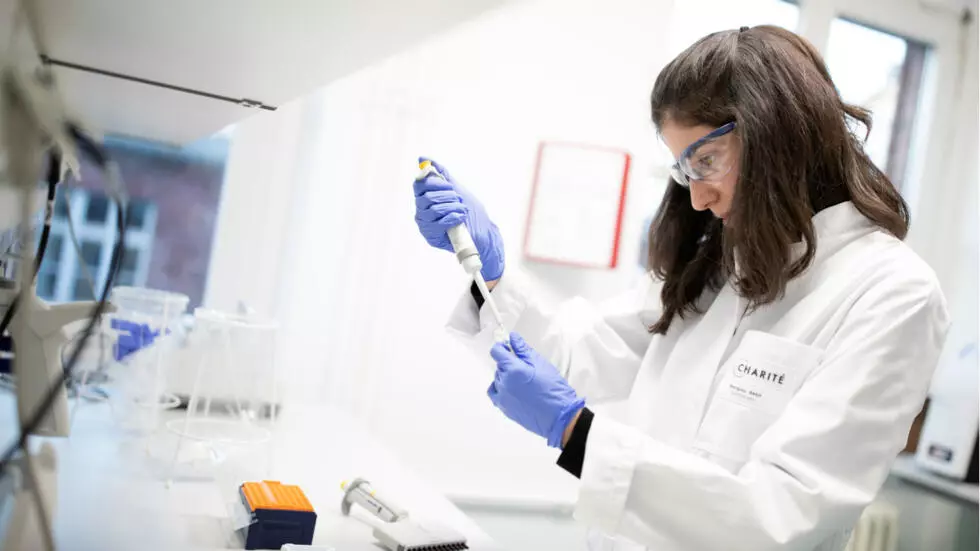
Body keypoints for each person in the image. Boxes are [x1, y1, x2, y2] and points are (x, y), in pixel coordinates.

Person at [412, 25, 949, 551]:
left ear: (779, 138)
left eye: (706, 162)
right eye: (684, 170)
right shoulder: (719, 267)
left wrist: (577, 433)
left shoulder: (891, 293)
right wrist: (493, 274)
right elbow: (576, 357)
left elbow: (785, 514)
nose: (697, 199)